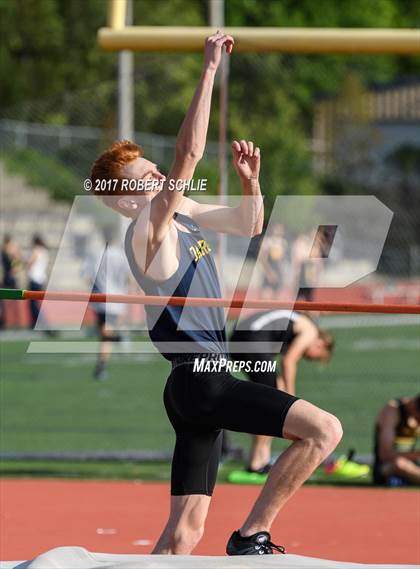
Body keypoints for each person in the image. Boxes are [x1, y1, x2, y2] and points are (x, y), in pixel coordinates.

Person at [90, 31, 342, 556]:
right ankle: (252, 535)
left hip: (194, 386)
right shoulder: (147, 231)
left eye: (155, 173)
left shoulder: (179, 215)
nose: (159, 180)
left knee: (184, 533)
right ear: (123, 202)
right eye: (146, 179)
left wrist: (252, 183)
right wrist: (208, 71)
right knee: (324, 430)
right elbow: (189, 153)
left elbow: (248, 225)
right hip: (203, 379)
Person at [230, 310, 334, 474]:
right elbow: (289, 361)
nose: (310, 358)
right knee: (268, 406)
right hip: (252, 342)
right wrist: (291, 400)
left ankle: (262, 458)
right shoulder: (310, 331)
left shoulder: (296, 323)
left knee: (268, 399)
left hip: (240, 340)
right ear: (320, 344)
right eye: (316, 357)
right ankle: (256, 463)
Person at [82, 230, 130, 380]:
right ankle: (117, 339)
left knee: (104, 334)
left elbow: (88, 277)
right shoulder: (122, 255)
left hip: (101, 299)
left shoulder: (96, 254)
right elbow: (129, 277)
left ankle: (102, 364)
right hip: (116, 299)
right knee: (105, 333)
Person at [373, 395, 420, 486]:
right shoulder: (393, 411)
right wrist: (417, 455)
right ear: (413, 407)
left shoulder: (415, 413)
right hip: (388, 466)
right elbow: (385, 455)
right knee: (399, 464)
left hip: (413, 466)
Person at [27, 234, 50, 329]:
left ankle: (38, 323)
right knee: (35, 303)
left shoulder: (37, 250)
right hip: (41, 280)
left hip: (35, 279)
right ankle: (40, 323)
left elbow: (30, 263)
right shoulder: (45, 252)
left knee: (33, 304)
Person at [1, 235, 22, 328]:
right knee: (5, 301)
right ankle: (5, 321)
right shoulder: (4, 251)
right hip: (6, 278)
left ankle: (17, 321)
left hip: (10, 278)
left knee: (14, 301)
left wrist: (14, 270)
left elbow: (18, 263)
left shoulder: (11, 250)